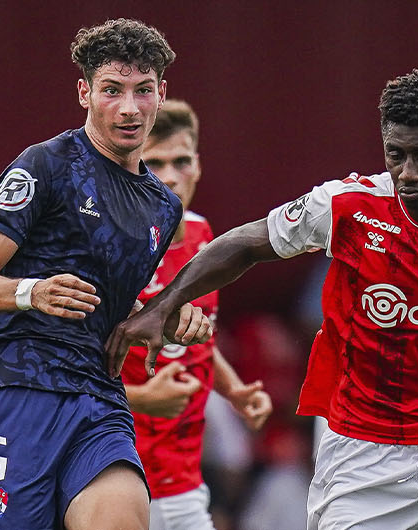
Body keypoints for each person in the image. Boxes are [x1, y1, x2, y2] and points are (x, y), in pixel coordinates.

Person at [112, 67, 418, 530]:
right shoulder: (347, 205)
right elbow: (245, 244)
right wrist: (162, 306)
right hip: (361, 449)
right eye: (395, 154)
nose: (407, 173)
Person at [0, 19, 212, 530]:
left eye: (143, 90)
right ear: (85, 93)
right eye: (112, 90)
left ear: (161, 94)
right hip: (14, 383)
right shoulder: (45, 165)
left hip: (97, 393)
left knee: (122, 515)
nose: (129, 108)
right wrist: (33, 291)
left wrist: (163, 317)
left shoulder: (163, 206)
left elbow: (111, 303)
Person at [121, 99, 273, 530]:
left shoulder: (204, 236)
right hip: (121, 474)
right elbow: (63, 375)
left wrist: (233, 388)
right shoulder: (110, 251)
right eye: (155, 163)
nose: (171, 176)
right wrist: (143, 399)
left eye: (181, 161)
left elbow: (201, 340)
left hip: (184, 478)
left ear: (198, 165)